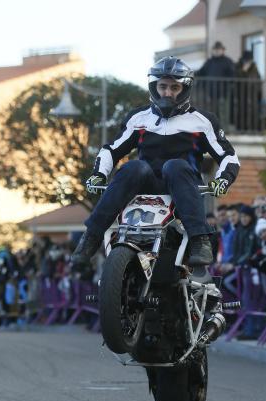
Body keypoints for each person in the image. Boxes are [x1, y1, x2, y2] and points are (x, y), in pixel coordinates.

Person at [72, 57, 240, 270]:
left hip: (182, 190)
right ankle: (91, 237)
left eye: (174, 87)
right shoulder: (138, 118)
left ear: (184, 88)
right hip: (145, 192)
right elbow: (111, 150)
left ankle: (200, 239)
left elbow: (228, 157)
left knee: (174, 165)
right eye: (162, 87)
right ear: (154, 86)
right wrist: (99, 174)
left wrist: (223, 179)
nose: (167, 93)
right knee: (133, 166)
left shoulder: (203, 121)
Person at [233, 50, 262, 131]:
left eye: (250, 60)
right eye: (247, 60)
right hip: (242, 93)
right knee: (242, 110)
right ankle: (241, 128)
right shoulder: (238, 66)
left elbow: (258, 79)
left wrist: (259, 92)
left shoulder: (254, 67)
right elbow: (236, 78)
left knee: (253, 111)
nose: (248, 62)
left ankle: (253, 128)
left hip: (253, 93)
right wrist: (243, 70)